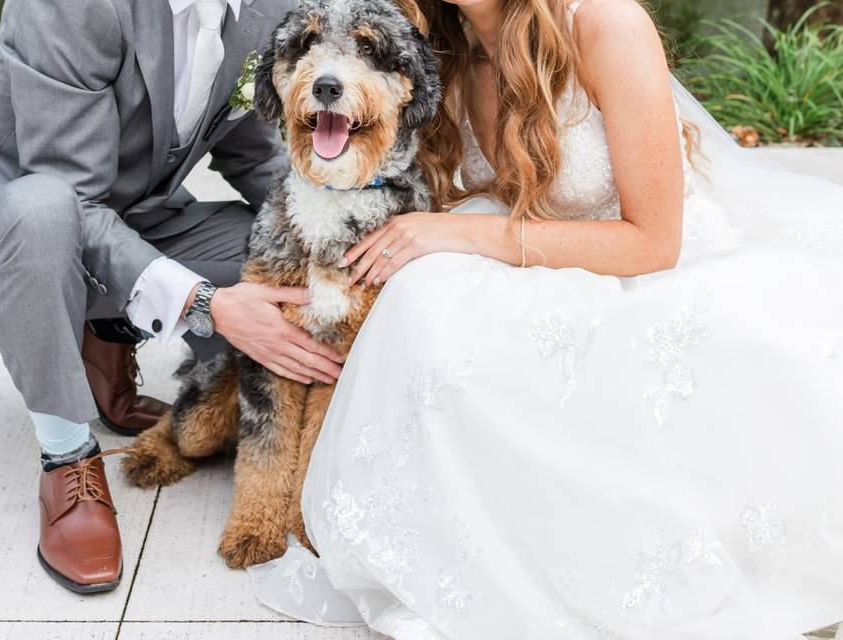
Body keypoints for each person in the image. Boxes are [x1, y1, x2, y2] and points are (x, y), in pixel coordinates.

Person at [247, 0, 843, 638]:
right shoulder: (428, 44)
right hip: (533, 264)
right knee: (417, 296)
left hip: (649, 276)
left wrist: (465, 238)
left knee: (442, 292)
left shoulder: (604, 24)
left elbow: (654, 244)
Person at [0, 0, 345, 594]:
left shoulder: (267, 10)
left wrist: (345, 239)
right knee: (43, 211)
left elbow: (257, 154)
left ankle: (108, 333)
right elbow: (71, 202)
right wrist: (209, 304)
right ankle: (67, 459)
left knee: (269, 249)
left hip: (127, 218)